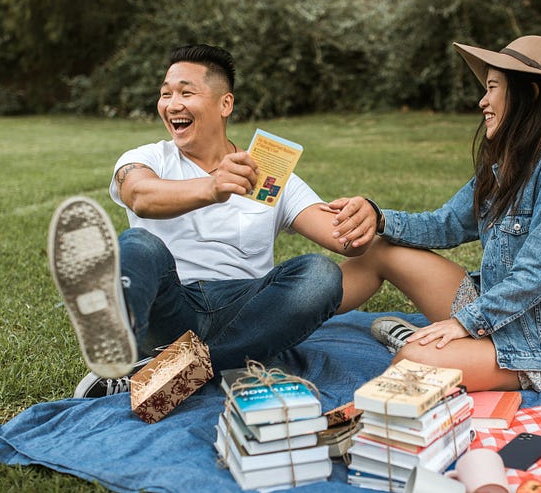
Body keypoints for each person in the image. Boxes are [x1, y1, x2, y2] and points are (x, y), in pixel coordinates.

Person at [48, 44, 371, 398]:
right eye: (165, 94)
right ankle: (121, 334)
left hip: (246, 311)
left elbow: (342, 237)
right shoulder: (147, 157)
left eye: (186, 92)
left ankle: (163, 374)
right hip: (170, 308)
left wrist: (368, 215)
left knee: (321, 275)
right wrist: (212, 186)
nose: (172, 105)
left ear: (225, 104)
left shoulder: (269, 172)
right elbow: (140, 196)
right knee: (140, 245)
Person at [327, 35, 541, 392]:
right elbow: (445, 224)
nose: (483, 101)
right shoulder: (507, 163)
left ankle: (419, 351)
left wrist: (465, 322)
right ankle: (287, 321)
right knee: (380, 250)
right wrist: (379, 218)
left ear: (531, 95)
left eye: (492, 88)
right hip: (495, 315)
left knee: (414, 363)